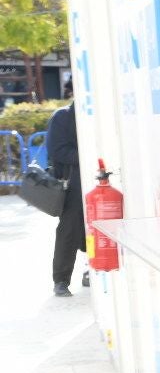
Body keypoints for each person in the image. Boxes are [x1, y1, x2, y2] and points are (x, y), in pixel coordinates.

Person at [45, 82, 83, 297]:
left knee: (97, 230)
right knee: (69, 232)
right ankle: (61, 280)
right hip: (72, 186)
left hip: (99, 182)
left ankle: (93, 270)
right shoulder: (63, 116)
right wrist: (85, 156)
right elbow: (57, 151)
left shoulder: (101, 114)